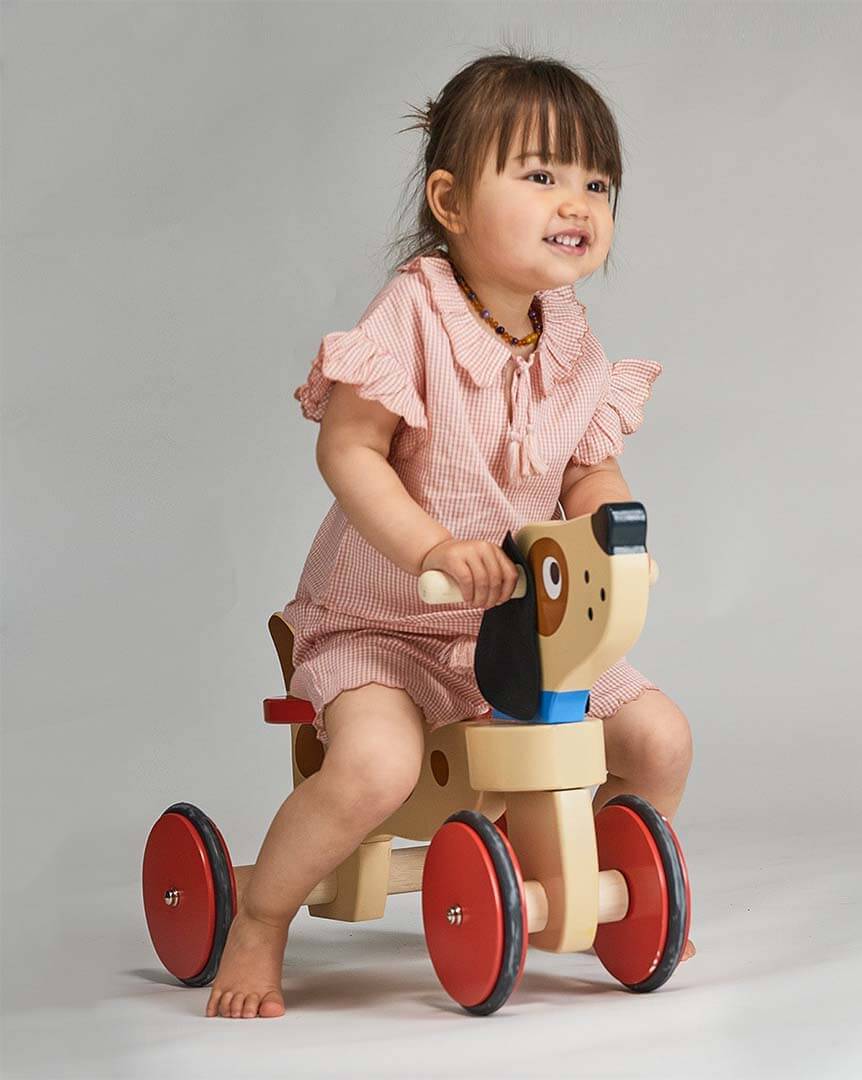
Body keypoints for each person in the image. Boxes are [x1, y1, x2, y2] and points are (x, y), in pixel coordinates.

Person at [205, 50, 694, 1020]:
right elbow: (350, 449)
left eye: (598, 183)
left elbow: (586, 467)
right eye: (542, 174)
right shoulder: (415, 312)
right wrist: (431, 548)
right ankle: (259, 917)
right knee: (376, 769)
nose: (578, 202)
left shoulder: (570, 339)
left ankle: (588, 882)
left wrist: (614, 530)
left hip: (516, 633)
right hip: (388, 625)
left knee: (660, 741)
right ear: (452, 201)